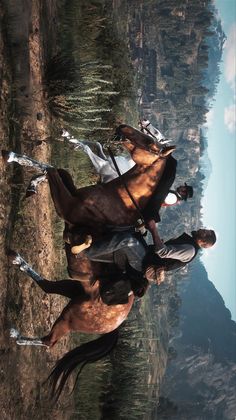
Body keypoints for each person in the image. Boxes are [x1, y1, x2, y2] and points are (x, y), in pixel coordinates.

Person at [83, 227, 217, 290]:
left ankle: (86, 251)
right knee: (131, 227)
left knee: (127, 240)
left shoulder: (190, 250)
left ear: (204, 242)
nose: (203, 229)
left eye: (206, 232)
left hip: (143, 264)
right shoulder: (190, 244)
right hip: (147, 256)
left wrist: (153, 229)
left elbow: (162, 251)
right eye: (206, 229)